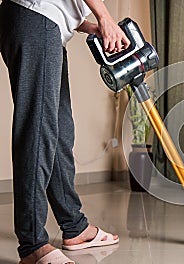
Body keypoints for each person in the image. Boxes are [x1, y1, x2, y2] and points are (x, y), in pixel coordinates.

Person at [0, 0, 131, 263]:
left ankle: (75, 227)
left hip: (45, 22)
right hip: (37, 18)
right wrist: (104, 16)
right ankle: (33, 244)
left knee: (59, 132)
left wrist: (89, 26)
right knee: (38, 132)